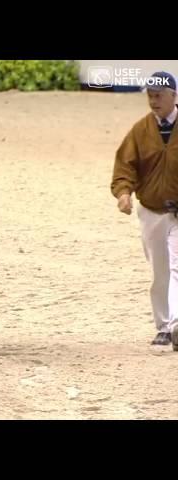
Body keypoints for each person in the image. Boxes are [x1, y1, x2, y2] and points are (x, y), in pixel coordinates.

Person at [111, 71, 178, 349]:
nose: (153, 101)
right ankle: (163, 326)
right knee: (160, 271)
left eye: (159, 96)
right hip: (151, 211)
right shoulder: (140, 131)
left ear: (174, 96)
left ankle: (174, 325)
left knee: (177, 267)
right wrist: (124, 192)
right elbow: (125, 165)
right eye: (150, 96)